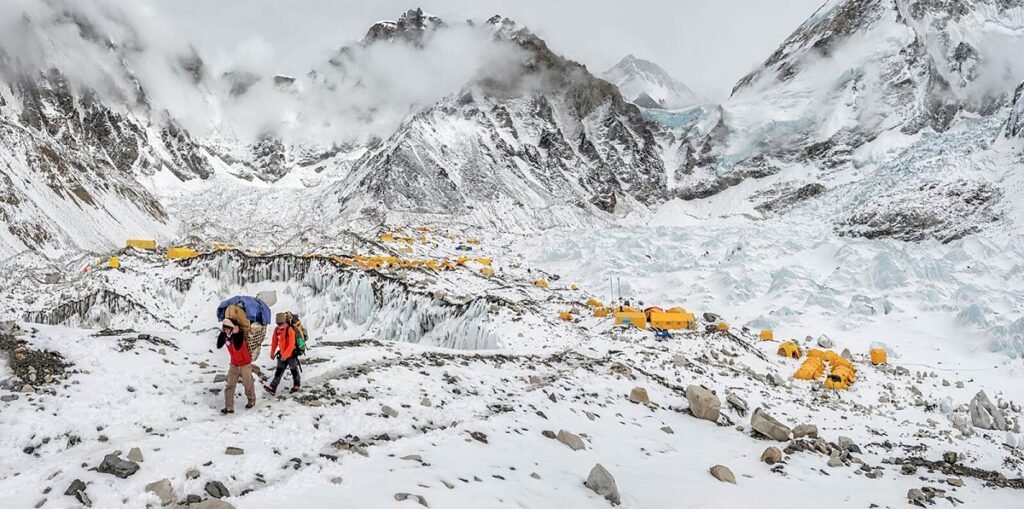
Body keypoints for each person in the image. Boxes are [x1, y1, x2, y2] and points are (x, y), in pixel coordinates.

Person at [217, 318, 256, 414]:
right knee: (230, 385)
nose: (226, 330)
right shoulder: (226, 336)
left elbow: (238, 347)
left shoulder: (240, 335)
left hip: (245, 364)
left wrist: (236, 333)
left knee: (247, 383)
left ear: (232, 328)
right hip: (234, 364)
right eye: (225, 328)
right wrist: (222, 333)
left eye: (228, 328)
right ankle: (229, 407)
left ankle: (251, 400)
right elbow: (218, 345)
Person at [264, 313, 300, 395]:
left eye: (281, 324)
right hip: (282, 353)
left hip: (291, 354)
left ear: (284, 322)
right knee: (279, 371)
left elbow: (291, 344)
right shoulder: (277, 330)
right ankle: (273, 387)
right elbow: (274, 342)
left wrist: (285, 355)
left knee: (293, 370)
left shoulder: (290, 330)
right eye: (278, 324)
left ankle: (296, 385)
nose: (279, 325)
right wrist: (272, 353)